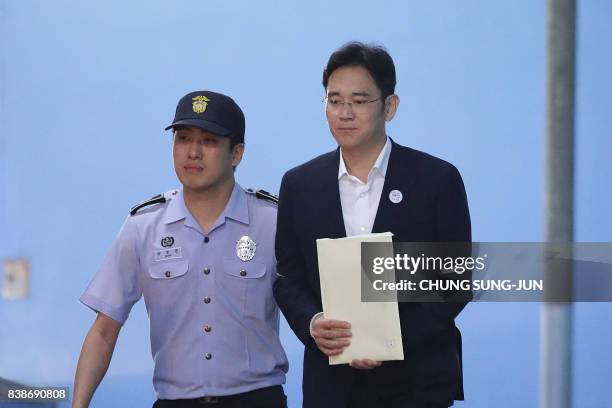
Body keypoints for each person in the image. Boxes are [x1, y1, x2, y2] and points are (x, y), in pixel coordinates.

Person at [273, 42, 471, 408]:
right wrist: (313, 323)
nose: (344, 113)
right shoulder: (299, 184)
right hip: (332, 386)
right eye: (334, 101)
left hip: (418, 383)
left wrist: (386, 341)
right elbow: (288, 277)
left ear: (390, 106)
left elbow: (456, 282)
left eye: (359, 101)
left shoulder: (436, 179)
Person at [73, 91, 288, 408]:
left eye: (209, 141)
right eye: (183, 138)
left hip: (256, 399)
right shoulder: (143, 226)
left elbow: (311, 308)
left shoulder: (272, 222)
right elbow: (104, 331)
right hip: (175, 401)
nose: (193, 152)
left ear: (236, 153)